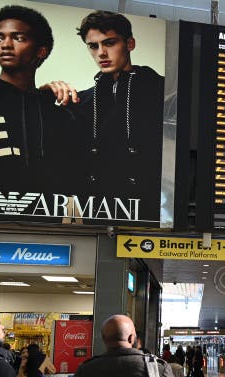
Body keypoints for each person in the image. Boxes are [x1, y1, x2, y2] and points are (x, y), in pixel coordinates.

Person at [0, 5, 76, 195]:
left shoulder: (57, 114)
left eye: (18, 38)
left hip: (42, 222)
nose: (5, 44)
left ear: (41, 51)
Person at [72, 10, 164, 221]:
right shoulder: (84, 101)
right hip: (97, 213)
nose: (101, 53)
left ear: (129, 44)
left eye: (109, 43)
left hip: (153, 212)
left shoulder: (163, 90)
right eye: (93, 46)